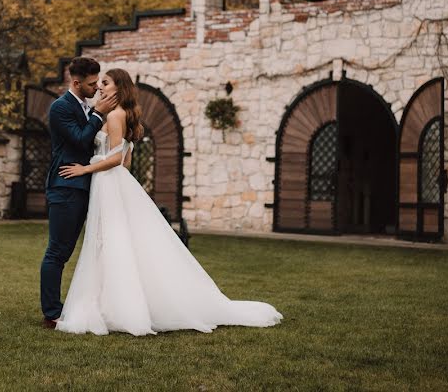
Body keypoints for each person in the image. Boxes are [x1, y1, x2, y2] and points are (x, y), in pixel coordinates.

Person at [55, 68, 282, 335]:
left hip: (108, 181)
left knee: (112, 240)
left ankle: (120, 306)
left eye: (105, 83)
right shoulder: (120, 115)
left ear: (119, 88)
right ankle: (113, 301)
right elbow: (126, 160)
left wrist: (85, 169)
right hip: (113, 183)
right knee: (112, 241)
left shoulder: (115, 116)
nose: (100, 87)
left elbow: (116, 159)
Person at [40, 57, 118, 329]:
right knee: (58, 252)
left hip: (89, 186)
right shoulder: (60, 108)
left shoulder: (88, 106)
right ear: (75, 83)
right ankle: (51, 312)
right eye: (91, 83)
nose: (97, 87)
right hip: (66, 187)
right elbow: (80, 139)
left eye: (98, 82)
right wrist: (98, 114)